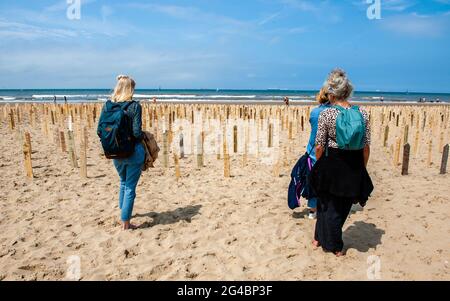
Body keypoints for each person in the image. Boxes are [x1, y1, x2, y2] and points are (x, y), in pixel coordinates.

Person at [310, 69, 374, 257]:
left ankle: (334, 246)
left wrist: (319, 166)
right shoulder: (363, 113)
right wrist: (362, 167)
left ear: (331, 93)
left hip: (332, 163)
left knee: (327, 205)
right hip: (354, 164)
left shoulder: (327, 114)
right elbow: (366, 146)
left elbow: (319, 145)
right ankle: (318, 237)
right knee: (341, 207)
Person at [101, 75, 145, 230]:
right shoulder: (134, 106)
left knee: (123, 182)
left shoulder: (108, 106)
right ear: (130, 89)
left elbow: (99, 131)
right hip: (132, 152)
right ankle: (126, 223)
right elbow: (137, 133)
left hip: (114, 152)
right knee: (130, 187)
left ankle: (123, 212)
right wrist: (145, 136)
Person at [305, 87, 331, 219]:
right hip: (329, 151)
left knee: (313, 179)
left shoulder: (314, 112)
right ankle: (325, 206)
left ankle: (313, 209)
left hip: (313, 150)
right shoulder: (335, 112)